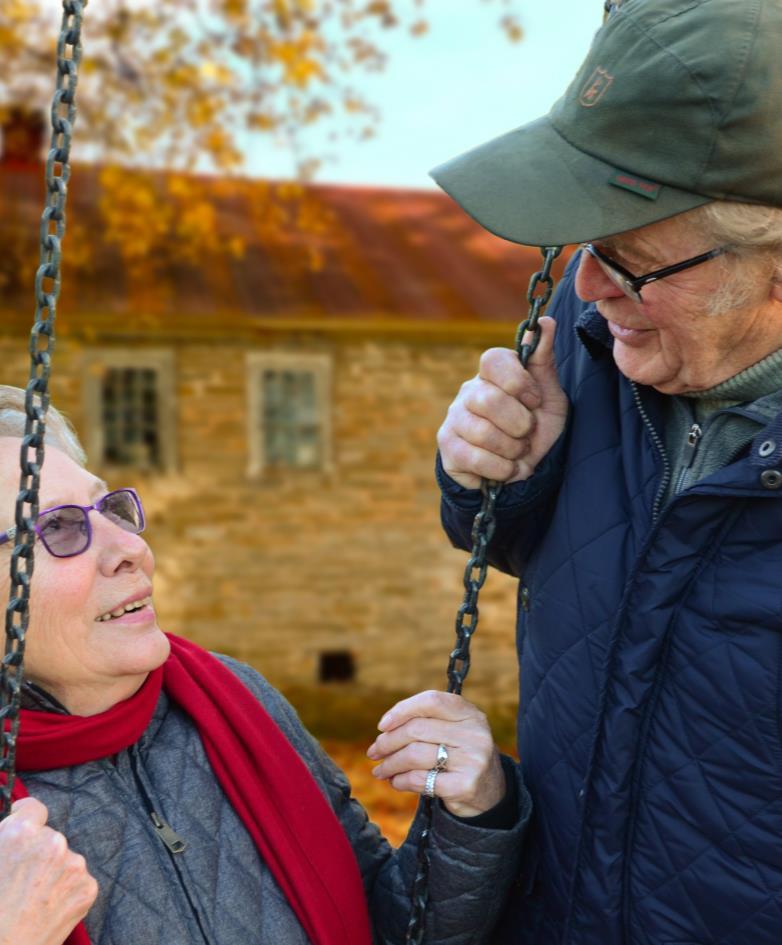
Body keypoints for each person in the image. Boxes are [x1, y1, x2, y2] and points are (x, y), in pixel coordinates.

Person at [431, 1, 782, 944]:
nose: (589, 286)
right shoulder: (594, 343)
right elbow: (552, 553)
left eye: (632, 261)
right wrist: (494, 476)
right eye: (589, 246)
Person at [0, 386, 529, 945]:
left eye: (108, 509)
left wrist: (471, 816)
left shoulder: (234, 700)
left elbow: (387, 923)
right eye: (57, 527)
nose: (129, 547)